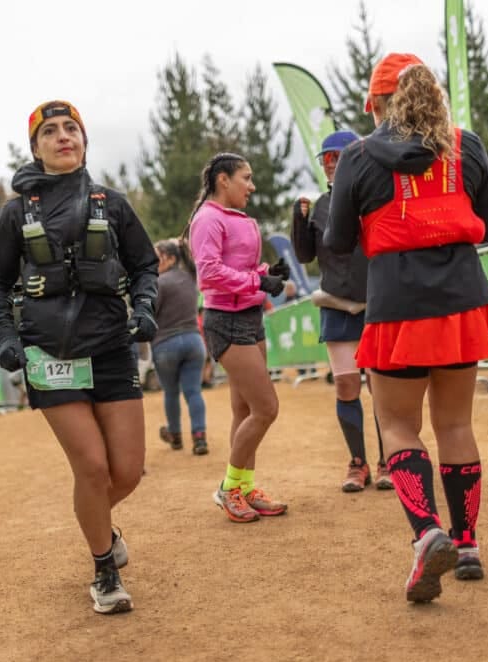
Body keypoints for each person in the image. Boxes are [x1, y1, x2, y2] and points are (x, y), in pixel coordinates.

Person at [326, 53, 488, 602]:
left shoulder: (356, 157)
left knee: (398, 423)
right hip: (461, 299)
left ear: (375, 104)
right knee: (455, 423)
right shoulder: (464, 145)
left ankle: (427, 532)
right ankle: (467, 542)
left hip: (397, 301)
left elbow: (334, 240)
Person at [0, 100, 158, 615]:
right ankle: (104, 568)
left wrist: (144, 307)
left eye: (72, 129)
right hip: (48, 354)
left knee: (125, 473)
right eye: (51, 132)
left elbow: (145, 265)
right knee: (90, 466)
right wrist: (7, 337)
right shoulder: (15, 213)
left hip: (110, 347)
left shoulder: (114, 204)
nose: (64, 137)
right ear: (35, 148)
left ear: (84, 141)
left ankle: (100, 521)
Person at [184, 152, 289, 524]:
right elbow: (210, 273)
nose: (252, 185)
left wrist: (266, 271)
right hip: (226, 321)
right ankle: (229, 488)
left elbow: (239, 267)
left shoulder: (237, 218)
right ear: (223, 180)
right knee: (266, 408)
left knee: (244, 410)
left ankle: (244, 488)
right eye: (246, 177)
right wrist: (258, 281)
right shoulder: (208, 219)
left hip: (250, 315)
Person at [293, 129, 391, 493]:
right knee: (347, 384)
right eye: (327, 158)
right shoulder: (320, 204)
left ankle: (388, 461)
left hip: (377, 303)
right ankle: (357, 463)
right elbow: (305, 256)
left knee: (381, 387)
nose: (332, 164)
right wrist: (298, 223)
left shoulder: (377, 196)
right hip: (336, 305)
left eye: (338, 156)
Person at [152, 239, 208, 455]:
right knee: (194, 392)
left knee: (171, 393)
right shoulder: (191, 277)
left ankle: (175, 436)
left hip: (165, 344)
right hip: (194, 341)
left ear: (171, 258)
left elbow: (151, 312)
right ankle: (199, 437)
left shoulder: (159, 282)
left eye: (158, 257)